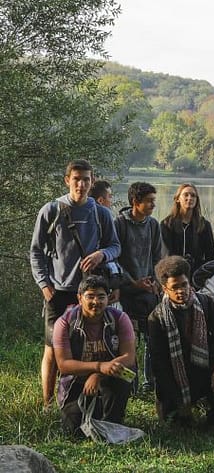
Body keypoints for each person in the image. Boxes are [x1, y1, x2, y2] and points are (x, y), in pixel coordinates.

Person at [31, 159, 121, 408]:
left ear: (92, 182)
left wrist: (101, 254)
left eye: (86, 179)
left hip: (90, 293)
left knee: (84, 346)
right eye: (76, 179)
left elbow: (116, 246)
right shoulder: (51, 210)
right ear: (67, 180)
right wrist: (44, 284)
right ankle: (47, 403)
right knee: (52, 347)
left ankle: (76, 399)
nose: (81, 184)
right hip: (58, 290)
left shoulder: (100, 213)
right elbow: (36, 251)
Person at [148, 256, 214, 428]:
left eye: (184, 285)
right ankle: (177, 406)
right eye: (175, 287)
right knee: (175, 422)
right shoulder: (156, 317)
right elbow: (159, 363)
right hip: (175, 374)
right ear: (165, 289)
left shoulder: (205, 303)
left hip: (202, 366)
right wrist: (179, 400)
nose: (181, 291)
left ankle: (213, 418)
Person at [53, 276, 135, 436]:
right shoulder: (65, 323)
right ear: (79, 298)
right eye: (90, 296)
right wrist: (98, 366)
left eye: (101, 296)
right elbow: (64, 364)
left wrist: (98, 374)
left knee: (125, 375)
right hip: (76, 380)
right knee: (73, 430)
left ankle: (112, 415)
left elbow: (129, 356)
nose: (96, 302)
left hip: (110, 376)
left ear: (108, 298)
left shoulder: (119, 319)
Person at [113, 182, 162, 391]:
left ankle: (149, 382)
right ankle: (128, 384)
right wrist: (133, 282)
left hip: (148, 291)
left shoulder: (153, 225)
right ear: (135, 202)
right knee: (129, 340)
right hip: (126, 292)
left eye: (154, 201)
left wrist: (156, 281)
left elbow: (158, 258)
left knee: (153, 337)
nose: (153, 205)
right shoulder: (119, 224)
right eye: (149, 201)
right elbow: (114, 258)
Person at [160, 183, 214, 272]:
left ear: (197, 200)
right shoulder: (167, 224)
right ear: (178, 199)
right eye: (186, 195)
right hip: (174, 273)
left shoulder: (204, 225)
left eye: (193, 196)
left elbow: (211, 256)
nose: (190, 198)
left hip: (197, 273)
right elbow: (166, 255)